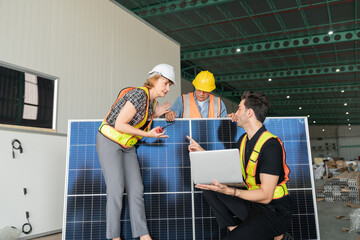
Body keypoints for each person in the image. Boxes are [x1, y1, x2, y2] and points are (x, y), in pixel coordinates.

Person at [187, 91, 292, 240]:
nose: (235, 113)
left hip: (273, 211)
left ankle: (278, 236)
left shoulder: (271, 146)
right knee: (207, 183)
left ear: (249, 113)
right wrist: (202, 152)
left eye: (239, 109)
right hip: (252, 203)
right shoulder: (244, 140)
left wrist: (231, 192)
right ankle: (234, 228)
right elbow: (228, 169)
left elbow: (266, 196)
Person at [96, 63, 175, 240]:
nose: (168, 88)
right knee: (116, 189)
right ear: (155, 80)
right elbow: (120, 124)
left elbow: (138, 117)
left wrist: (156, 114)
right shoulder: (139, 94)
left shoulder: (151, 101)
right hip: (109, 141)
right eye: (166, 83)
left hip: (127, 146)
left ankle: (143, 235)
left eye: (170, 85)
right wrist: (148, 133)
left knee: (136, 189)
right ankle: (114, 237)